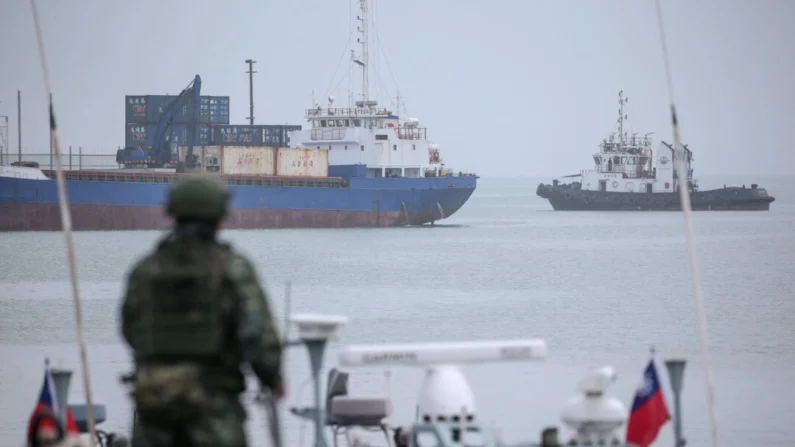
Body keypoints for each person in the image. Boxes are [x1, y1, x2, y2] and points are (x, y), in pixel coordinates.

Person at [120, 174, 284, 447]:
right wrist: (273, 378)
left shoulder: (144, 270)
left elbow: (128, 328)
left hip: (154, 414)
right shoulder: (233, 269)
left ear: (172, 213)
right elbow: (258, 337)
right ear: (220, 217)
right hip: (213, 413)